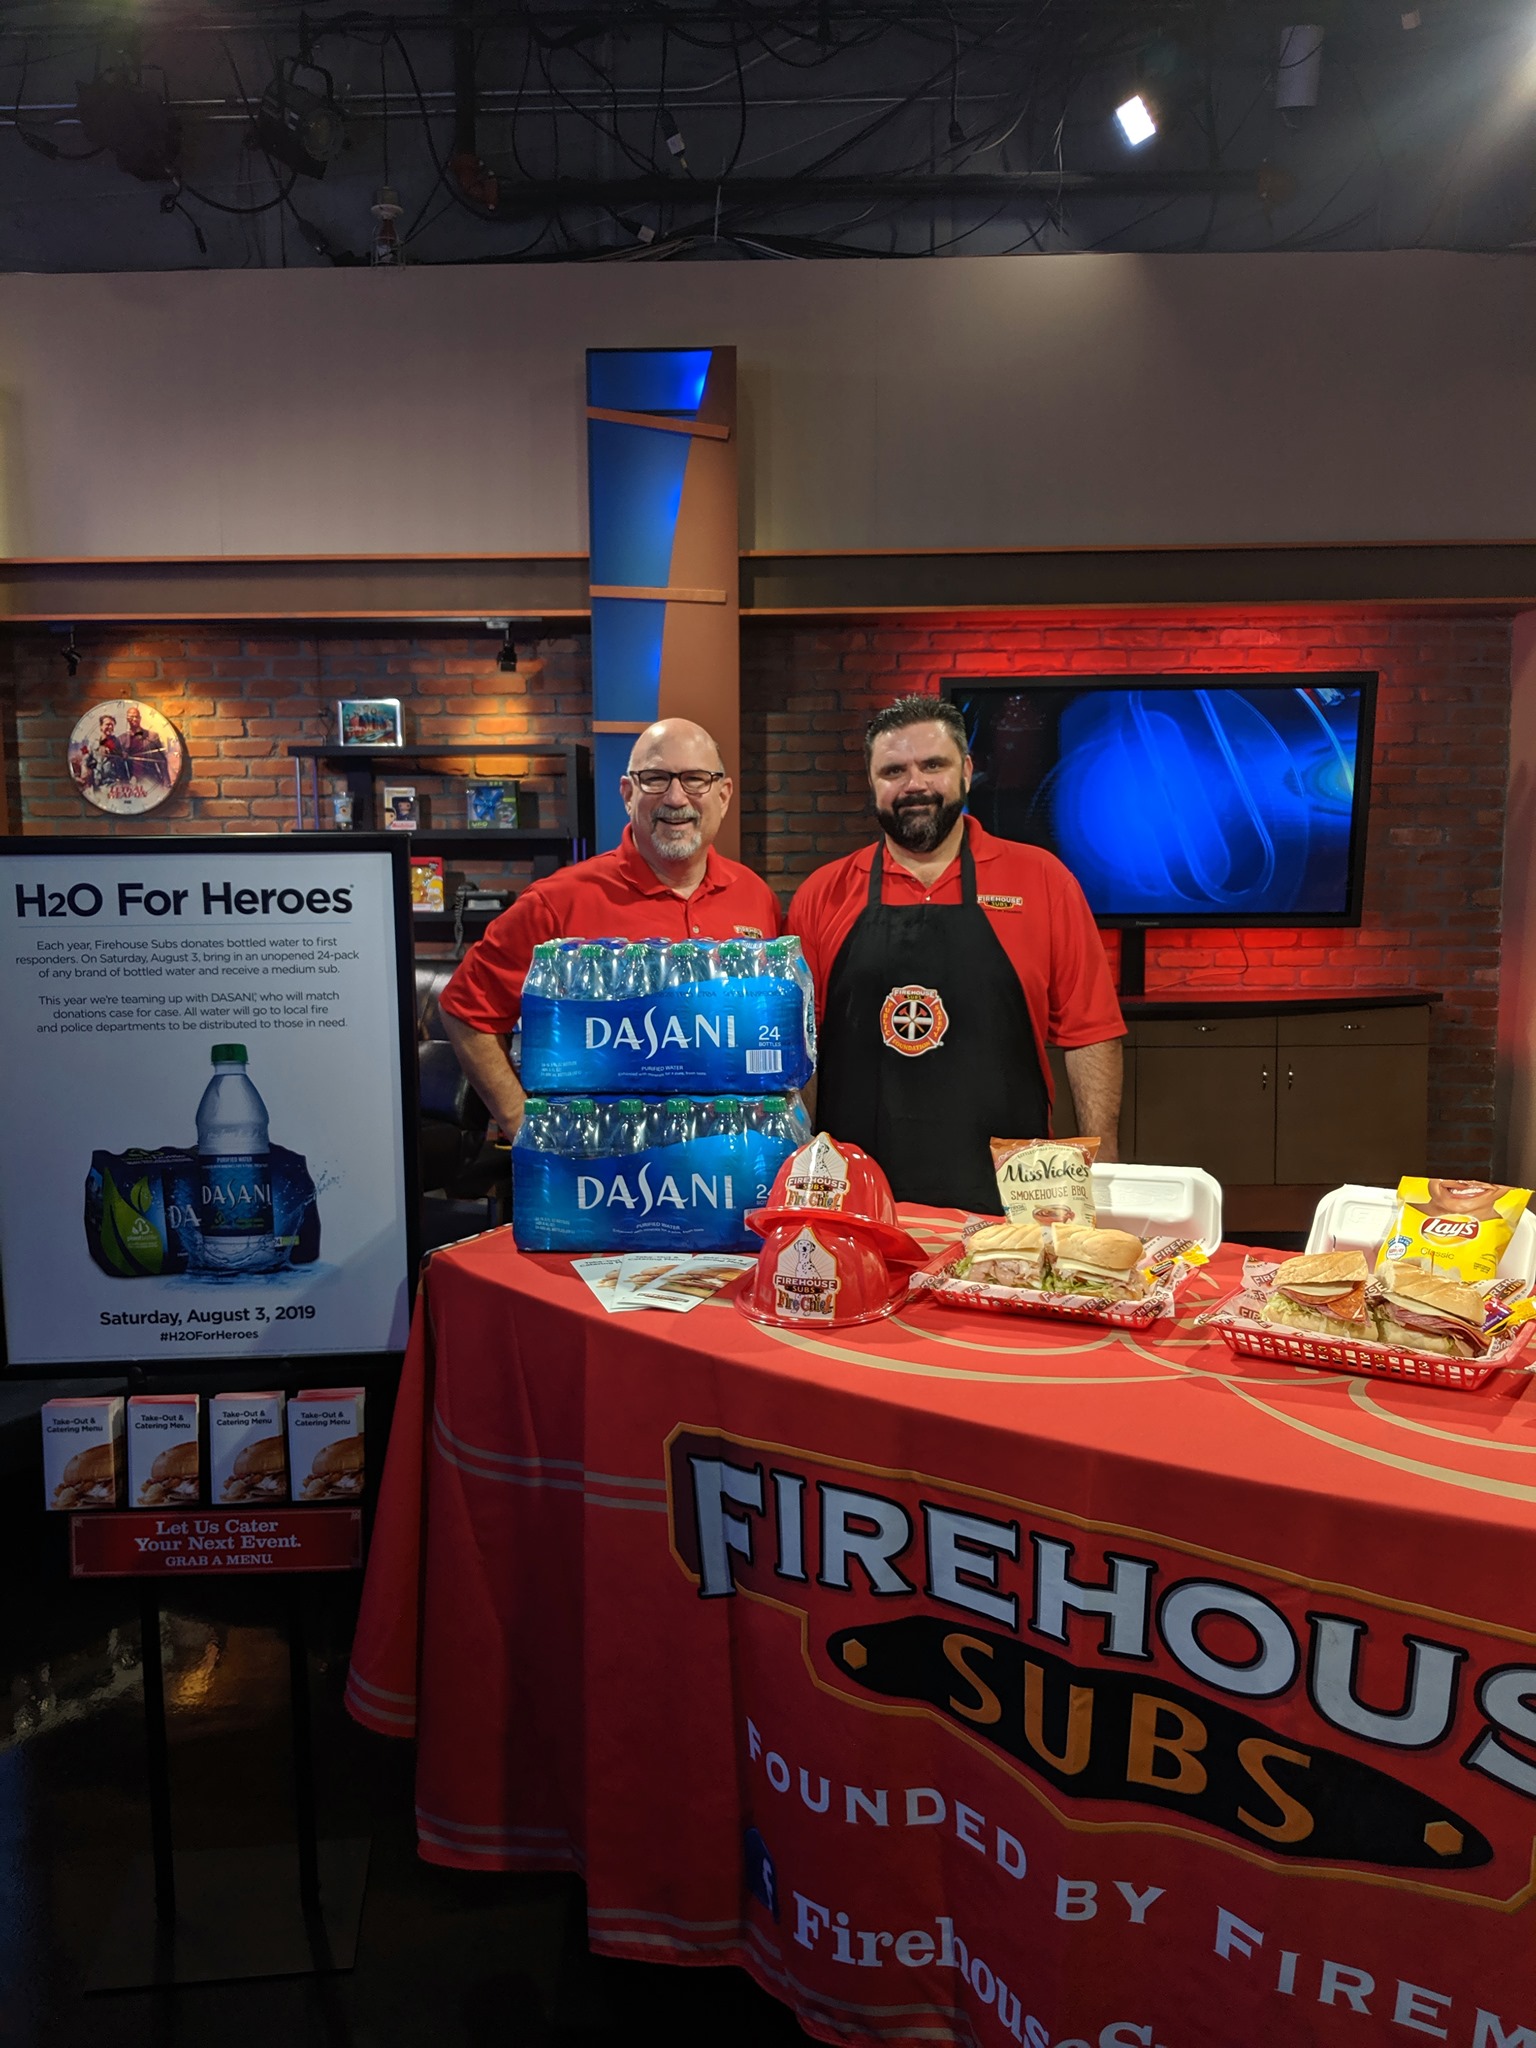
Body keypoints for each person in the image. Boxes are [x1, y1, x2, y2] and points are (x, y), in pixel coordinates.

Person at [787, 694, 1124, 1212]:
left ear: (966, 771)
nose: (914, 784)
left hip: (1013, 1202)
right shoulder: (822, 895)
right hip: (859, 1204)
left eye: (933, 765)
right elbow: (800, 1056)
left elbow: (1090, 1034)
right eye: (893, 771)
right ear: (872, 783)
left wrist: (1104, 1173)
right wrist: (799, 1172)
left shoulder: (1043, 881)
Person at [440, 717, 781, 1139]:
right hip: (602, 1164)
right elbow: (464, 1010)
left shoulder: (755, 896)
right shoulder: (557, 902)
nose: (676, 798)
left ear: (724, 795)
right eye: (655, 779)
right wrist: (518, 1121)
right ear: (627, 793)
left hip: (732, 1154)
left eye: (695, 779)